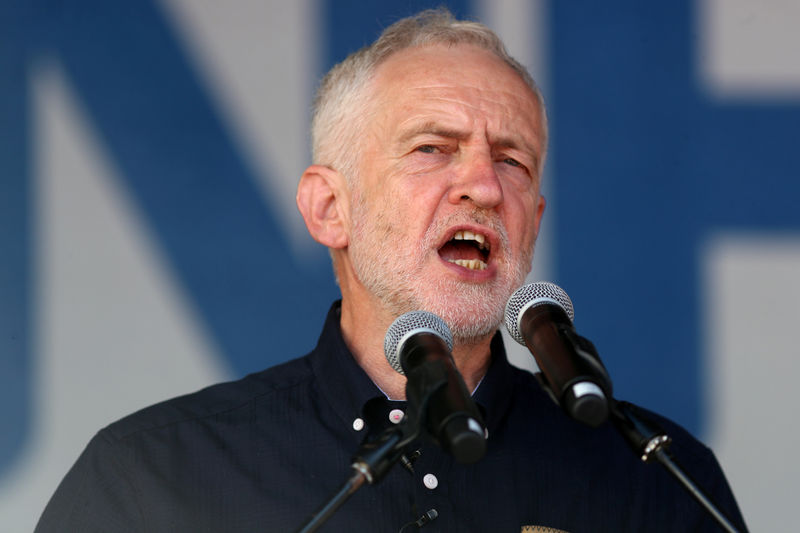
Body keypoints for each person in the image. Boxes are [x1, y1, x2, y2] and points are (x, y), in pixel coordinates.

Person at [36, 9, 746, 532]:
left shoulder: (656, 478)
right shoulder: (154, 478)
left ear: (535, 214)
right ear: (328, 208)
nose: (483, 186)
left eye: (512, 160)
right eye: (432, 148)